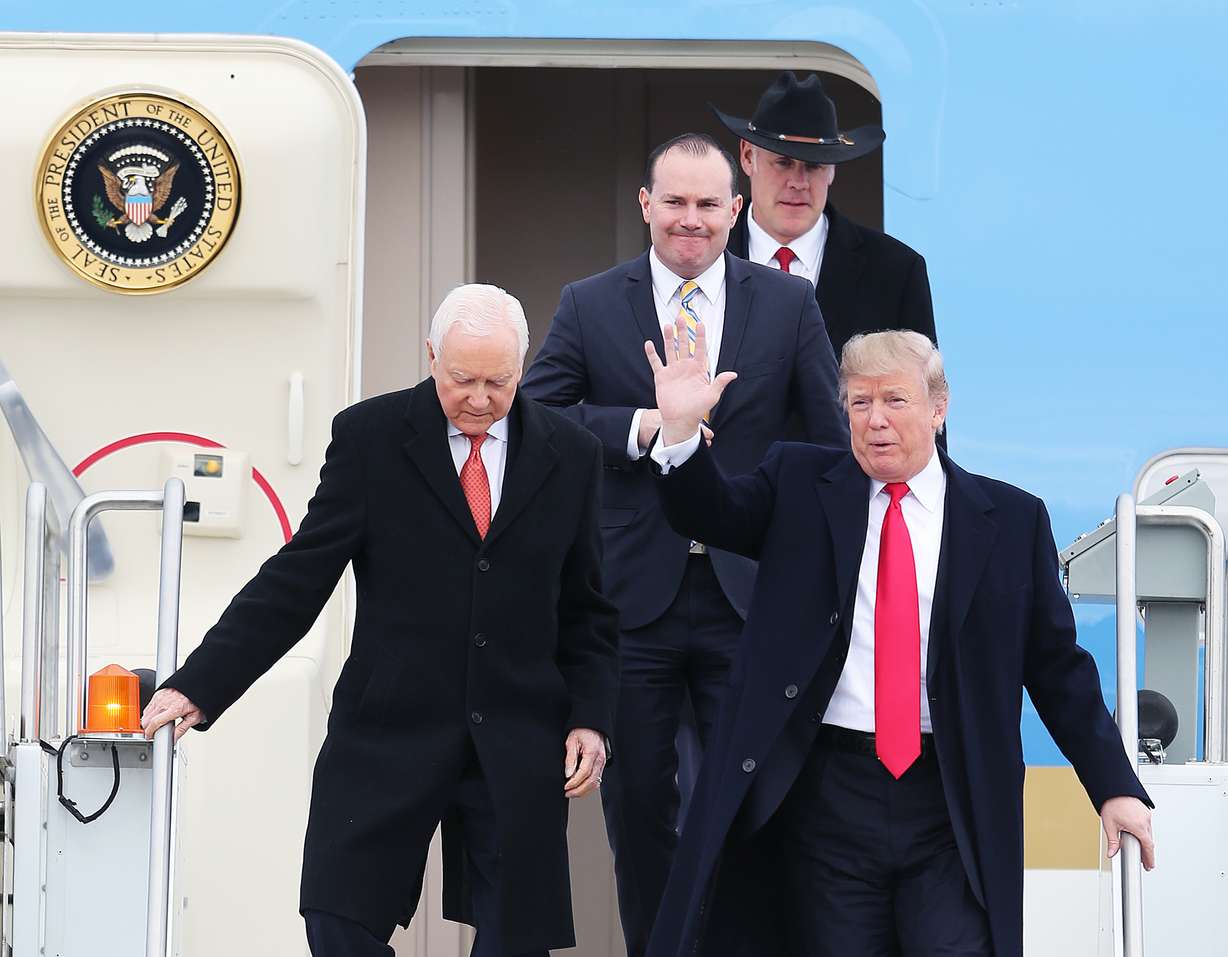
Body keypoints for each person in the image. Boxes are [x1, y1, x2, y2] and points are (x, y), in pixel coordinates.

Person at [642, 323, 1154, 957]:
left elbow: (1058, 670)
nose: (875, 420)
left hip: (950, 799)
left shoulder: (1011, 521)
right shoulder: (800, 482)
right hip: (826, 795)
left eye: (894, 400)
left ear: (938, 409)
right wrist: (683, 436)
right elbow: (710, 512)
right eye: (859, 403)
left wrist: (1114, 785)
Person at [141, 284, 619, 957]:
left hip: (516, 734)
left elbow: (588, 610)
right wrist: (201, 681)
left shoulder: (570, 453)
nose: (480, 398)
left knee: (517, 940)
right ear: (431, 357)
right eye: (462, 379)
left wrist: (590, 718)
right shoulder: (370, 437)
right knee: (336, 919)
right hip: (388, 724)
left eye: (498, 381)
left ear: (522, 365)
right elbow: (298, 576)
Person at [520, 132, 847, 956]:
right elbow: (536, 420)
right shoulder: (591, 302)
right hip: (632, 597)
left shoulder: (789, 305)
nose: (690, 220)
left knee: (756, 794)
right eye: (674, 202)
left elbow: (832, 444)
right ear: (646, 206)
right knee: (637, 808)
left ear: (737, 209)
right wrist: (642, 426)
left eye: (708, 204)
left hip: (750, 594)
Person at [716, 71, 938, 368]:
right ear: (747, 157)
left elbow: (922, 401)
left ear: (833, 169)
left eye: (814, 165)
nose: (798, 182)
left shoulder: (895, 270)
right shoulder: (703, 258)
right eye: (783, 162)